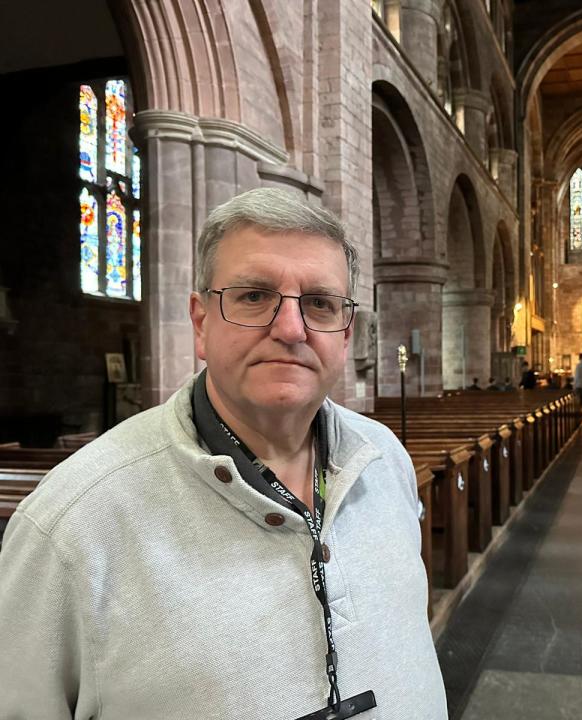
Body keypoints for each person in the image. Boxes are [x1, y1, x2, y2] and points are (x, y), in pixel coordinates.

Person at [0, 188, 447, 719]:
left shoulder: (386, 459)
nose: (290, 329)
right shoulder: (72, 525)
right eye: (254, 296)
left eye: (321, 303)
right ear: (200, 322)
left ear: (345, 334)